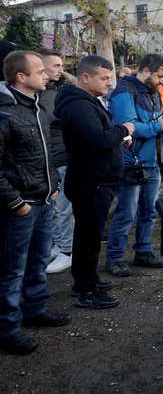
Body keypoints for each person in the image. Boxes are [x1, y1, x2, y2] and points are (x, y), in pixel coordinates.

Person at [0, 50, 70, 355]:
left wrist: (53, 186)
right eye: (40, 70)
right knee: (12, 269)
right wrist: (16, 202)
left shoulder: (38, 108)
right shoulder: (5, 113)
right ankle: (7, 328)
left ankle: (35, 308)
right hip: (21, 206)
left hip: (43, 199)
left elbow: (47, 153)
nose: (47, 74)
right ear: (21, 76)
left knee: (39, 259)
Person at [55, 55, 135, 308]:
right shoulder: (78, 105)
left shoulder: (88, 101)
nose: (109, 83)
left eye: (110, 77)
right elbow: (98, 139)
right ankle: (86, 290)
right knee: (88, 237)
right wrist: (124, 130)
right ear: (86, 77)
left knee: (88, 235)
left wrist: (118, 138)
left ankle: (85, 280)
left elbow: (98, 137)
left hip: (97, 180)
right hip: (91, 182)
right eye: (104, 78)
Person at [106, 54, 163, 277]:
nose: (162, 81)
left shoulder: (152, 93)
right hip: (130, 163)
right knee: (126, 213)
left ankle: (143, 250)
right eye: (159, 76)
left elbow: (148, 123)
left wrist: (158, 123)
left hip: (150, 163)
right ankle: (114, 257)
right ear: (146, 71)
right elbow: (129, 127)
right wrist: (158, 126)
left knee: (150, 211)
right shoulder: (124, 91)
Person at [38, 49, 74, 274]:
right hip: (43, 160)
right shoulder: (39, 93)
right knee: (51, 208)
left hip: (62, 157)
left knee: (63, 207)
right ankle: (58, 245)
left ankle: (67, 250)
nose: (61, 70)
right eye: (56, 66)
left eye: (62, 66)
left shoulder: (62, 92)